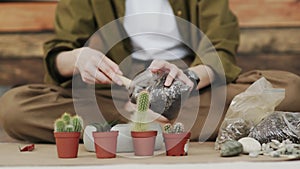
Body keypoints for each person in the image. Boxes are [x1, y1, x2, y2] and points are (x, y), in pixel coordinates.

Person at [0, 0, 299, 143]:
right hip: (113, 98)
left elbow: (220, 49)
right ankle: (155, 126)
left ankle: (127, 134)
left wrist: (188, 79)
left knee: (290, 88)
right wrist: (77, 58)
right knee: (15, 106)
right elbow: (60, 51)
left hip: (190, 93)